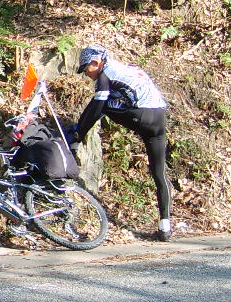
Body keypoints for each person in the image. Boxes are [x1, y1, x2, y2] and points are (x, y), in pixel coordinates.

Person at [72, 45, 173, 241]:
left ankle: (75, 137)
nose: (86, 74)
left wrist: (79, 132)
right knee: (159, 172)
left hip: (144, 115)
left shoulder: (106, 75)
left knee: (101, 105)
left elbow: (97, 108)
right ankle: (165, 226)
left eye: (86, 69)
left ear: (96, 62)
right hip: (160, 117)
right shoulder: (126, 68)